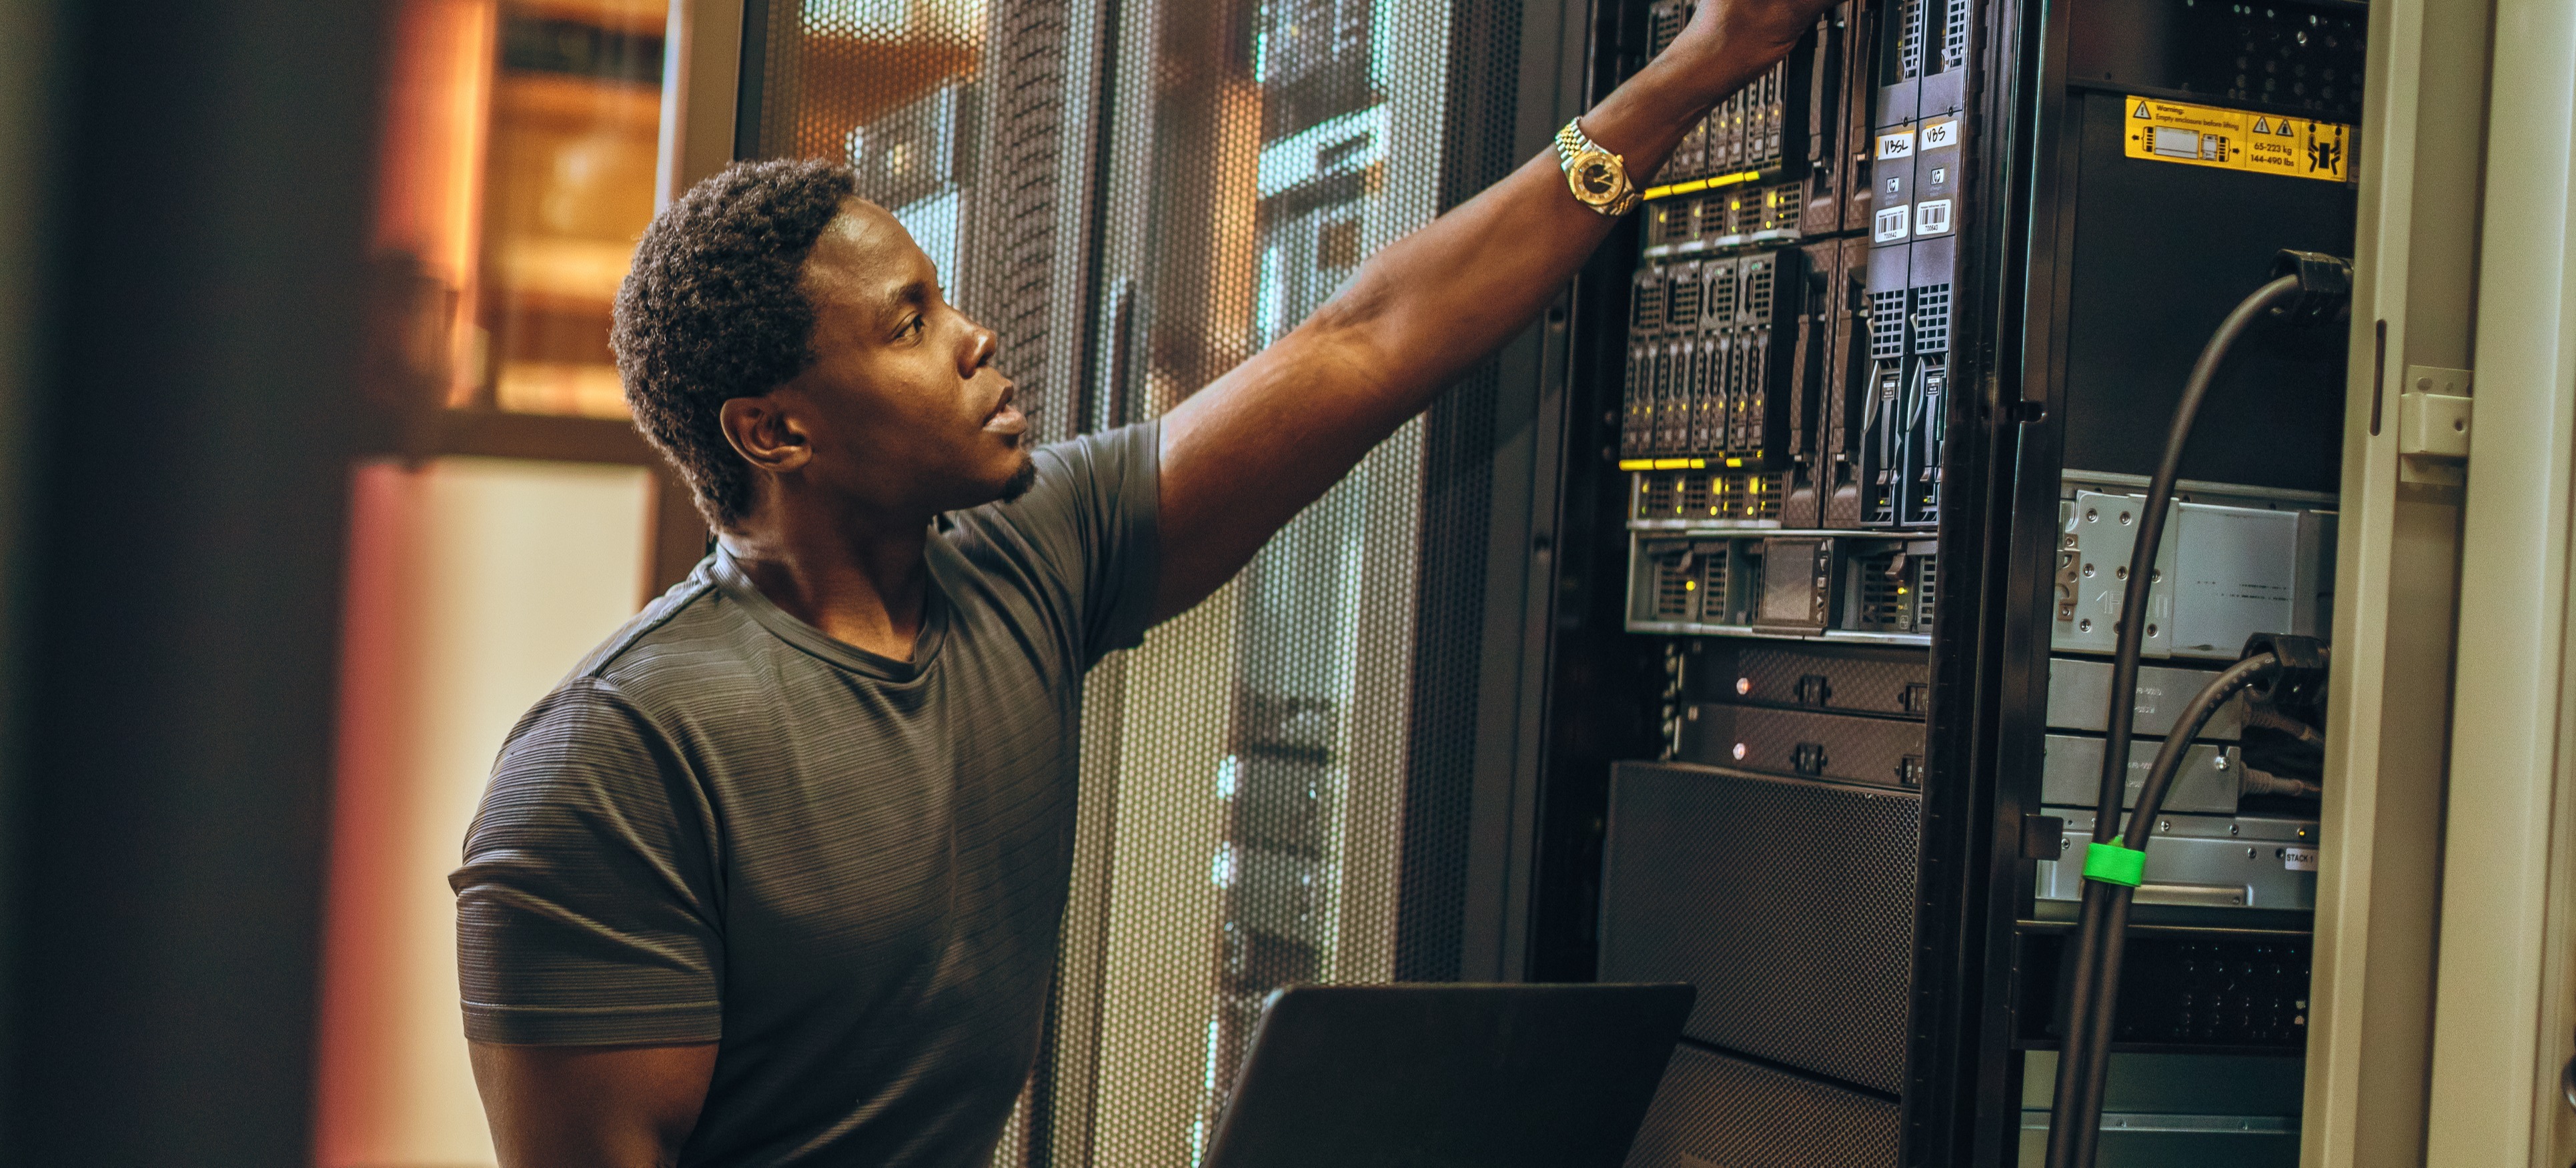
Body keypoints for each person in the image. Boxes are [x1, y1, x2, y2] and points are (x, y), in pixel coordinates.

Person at [452, 0, 1828, 1163]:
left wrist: (1700, 64)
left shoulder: (1024, 562)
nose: (978, 339)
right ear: (774, 431)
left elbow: (1363, 342)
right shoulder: (612, 769)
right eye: (911, 325)